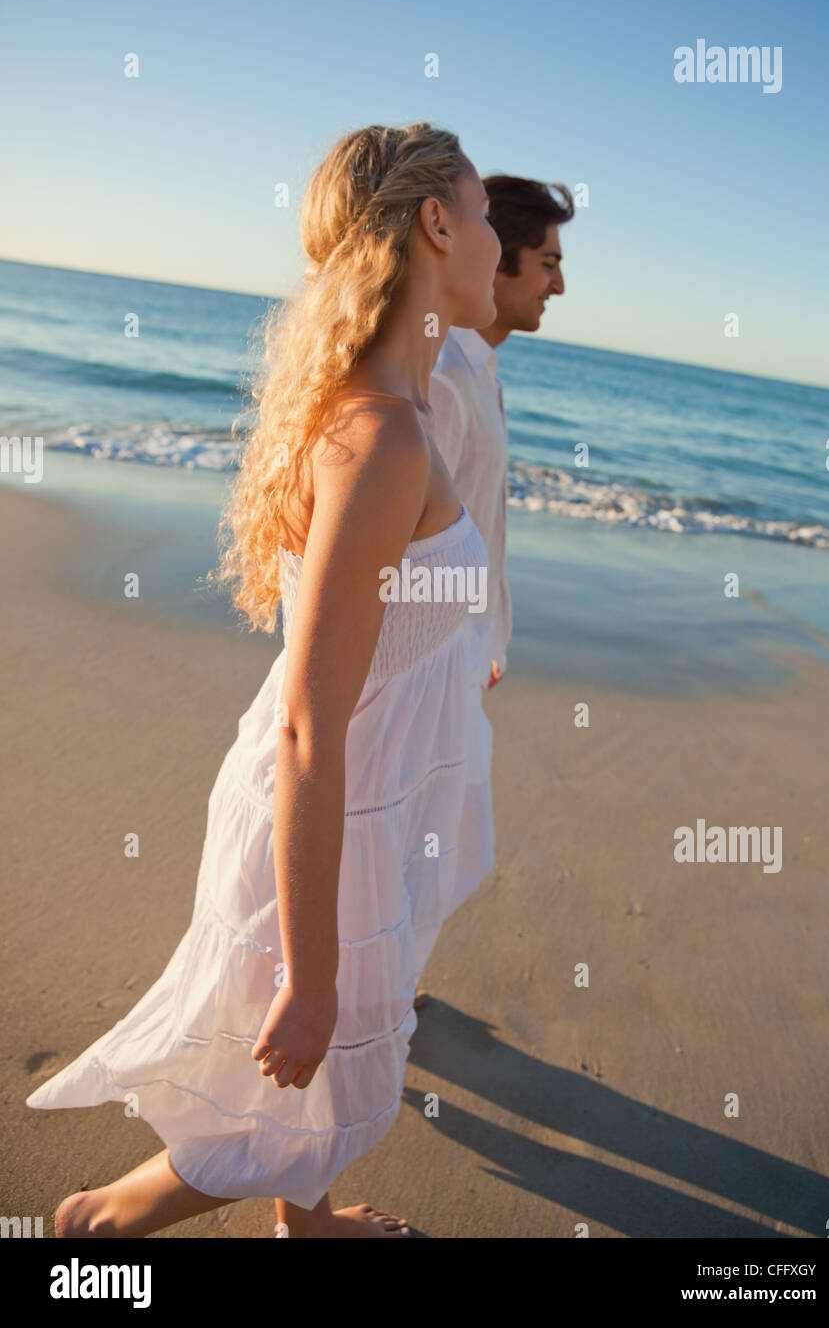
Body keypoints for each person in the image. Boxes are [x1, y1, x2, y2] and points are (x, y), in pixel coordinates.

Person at [26, 121, 500, 1239]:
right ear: (434, 225)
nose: (493, 240)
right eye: (482, 217)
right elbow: (306, 728)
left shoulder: (384, 408)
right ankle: (91, 1229)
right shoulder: (383, 437)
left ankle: (306, 1225)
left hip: (354, 801)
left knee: (308, 1085)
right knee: (295, 1082)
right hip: (321, 811)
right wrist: (313, 969)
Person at [421, 175, 573, 934]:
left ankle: (383, 980)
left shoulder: (479, 368)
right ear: (500, 260)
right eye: (546, 262)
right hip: (425, 668)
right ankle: (360, 995)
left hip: (461, 655)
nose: (560, 283)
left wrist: (488, 639)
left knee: (446, 841)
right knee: (423, 835)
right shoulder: (444, 379)